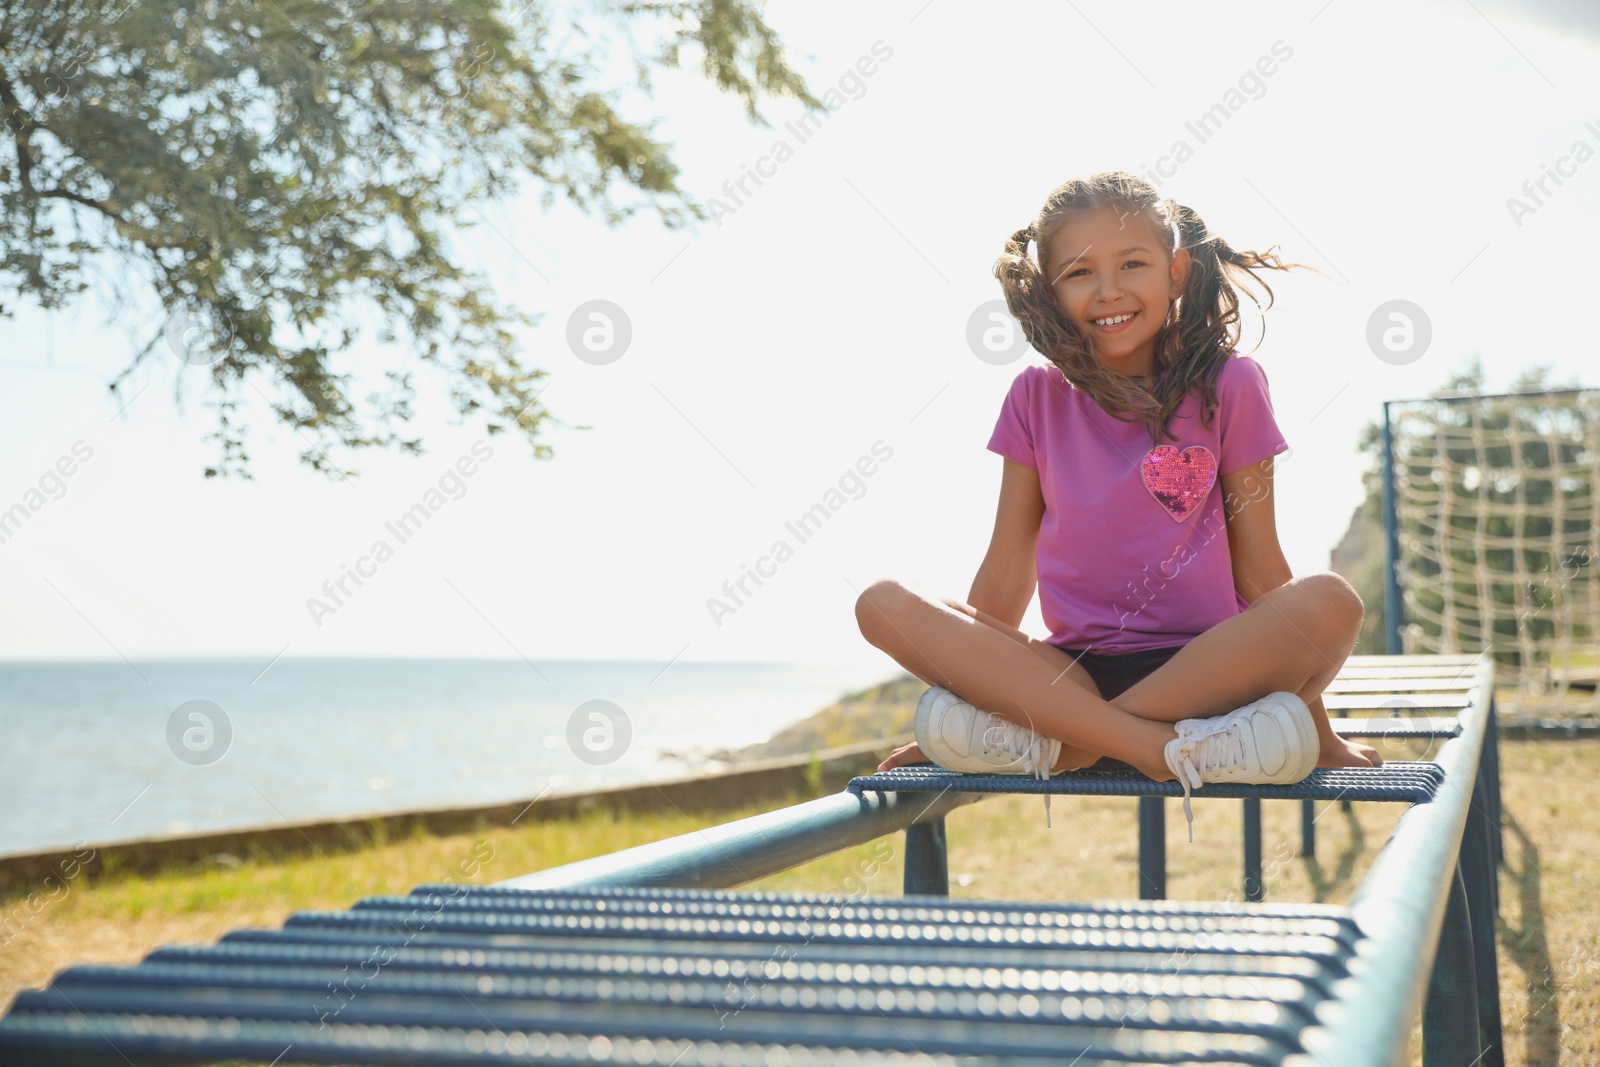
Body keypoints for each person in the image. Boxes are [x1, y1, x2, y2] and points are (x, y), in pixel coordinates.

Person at [855, 170, 1378, 839]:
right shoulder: (1034, 398)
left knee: (1331, 602)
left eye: (1133, 263)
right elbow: (1006, 572)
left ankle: (1073, 743)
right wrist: (978, 685)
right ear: (1049, 289)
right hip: (1072, 673)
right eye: (1079, 273)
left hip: (1210, 667)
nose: (1108, 290)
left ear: (1177, 272)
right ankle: (1158, 748)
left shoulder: (1232, 383)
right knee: (882, 603)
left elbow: (1261, 570)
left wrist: (1319, 731)